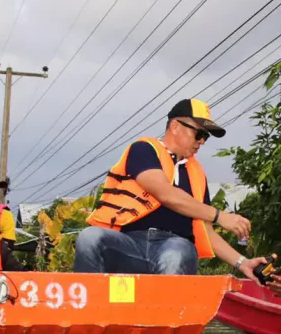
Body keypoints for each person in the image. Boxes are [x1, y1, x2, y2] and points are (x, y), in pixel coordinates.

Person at [73, 98, 266, 281]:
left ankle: (164, 314)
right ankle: (90, 312)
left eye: (205, 137)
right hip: (129, 244)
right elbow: (166, 194)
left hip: (174, 245)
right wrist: (220, 216)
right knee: (90, 237)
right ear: (175, 126)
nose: (201, 142)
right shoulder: (144, 150)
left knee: (175, 254)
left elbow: (206, 231)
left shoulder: (197, 175)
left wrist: (243, 263)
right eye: (199, 134)